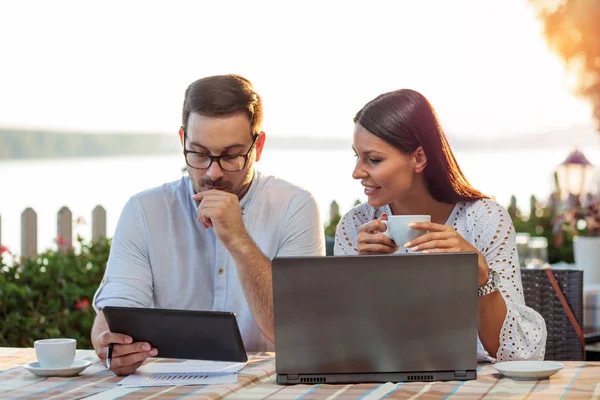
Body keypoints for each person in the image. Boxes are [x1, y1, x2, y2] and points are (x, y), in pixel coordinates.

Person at [91, 74, 325, 375]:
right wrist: (112, 345)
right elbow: (113, 315)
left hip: (264, 386)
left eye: (231, 156)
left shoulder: (295, 206)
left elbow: (297, 333)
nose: (213, 173)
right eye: (199, 154)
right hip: (166, 385)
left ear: (258, 146)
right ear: (182, 140)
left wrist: (238, 239)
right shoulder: (144, 211)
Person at [334, 89, 547, 362]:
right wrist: (363, 274)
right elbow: (345, 349)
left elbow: (518, 356)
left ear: (419, 158)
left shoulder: (485, 220)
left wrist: (479, 273)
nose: (357, 172)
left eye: (373, 159)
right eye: (357, 157)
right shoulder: (356, 225)